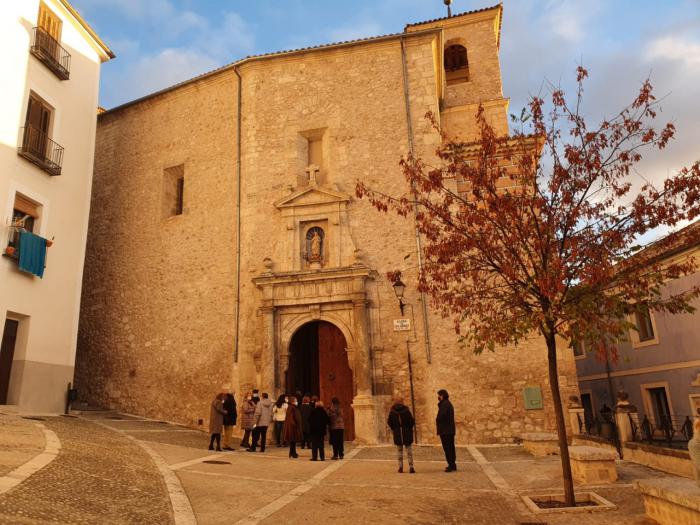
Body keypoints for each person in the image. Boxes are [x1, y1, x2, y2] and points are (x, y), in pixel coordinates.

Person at [387, 397, 415, 473]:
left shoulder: (392, 411)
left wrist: (395, 429)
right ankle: (411, 467)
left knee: (399, 451)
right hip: (407, 433)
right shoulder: (406, 411)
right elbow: (411, 421)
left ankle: (400, 467)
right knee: (409, 451)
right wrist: (408, 428)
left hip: (398, 433)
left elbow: (389, 422)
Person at [436, 389, 457, 472]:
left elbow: (442, 415)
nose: (438, 397)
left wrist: (438, 419)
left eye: (438, 395)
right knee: (451, 447)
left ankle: (451, 465)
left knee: (447, 448)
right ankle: (453, 464)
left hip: (445, 430)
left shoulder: (444, 404)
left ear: (442, 395)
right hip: (449, 430)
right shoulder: (448, 403)